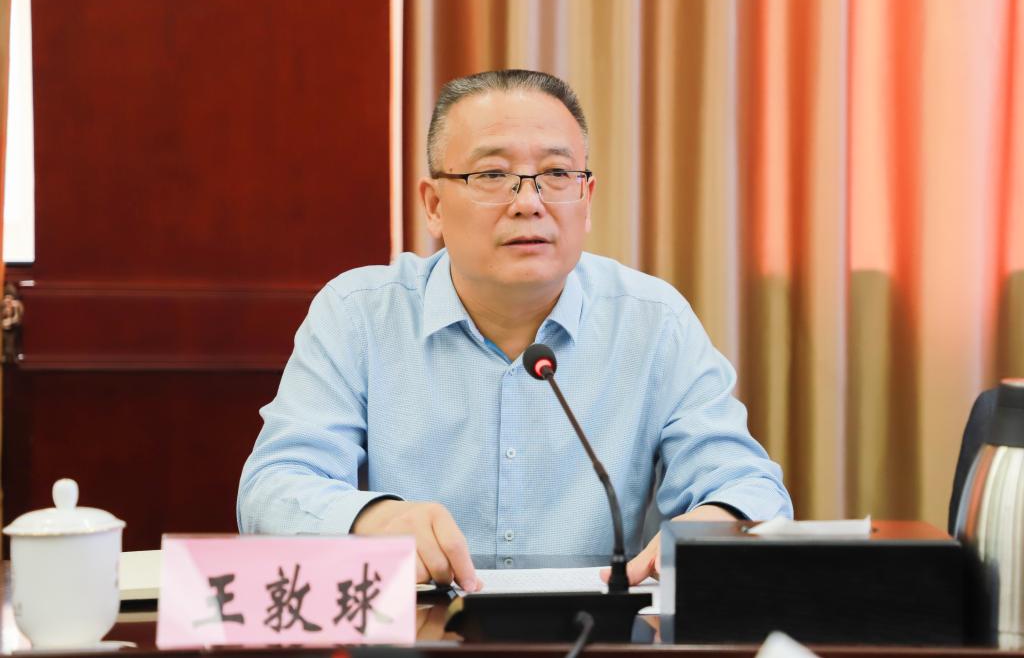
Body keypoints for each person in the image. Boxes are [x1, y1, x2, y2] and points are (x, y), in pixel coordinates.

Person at [237, 69, 792, 593]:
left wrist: (713, 523)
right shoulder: (359, 314)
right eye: (492, 175)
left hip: (597, 635)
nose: (528, 203)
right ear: (434, 205)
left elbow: (750, 486)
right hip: (412, 635)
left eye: (556, 175)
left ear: (586, 200)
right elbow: (272, 488)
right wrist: (373, 517)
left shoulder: (652, 321)